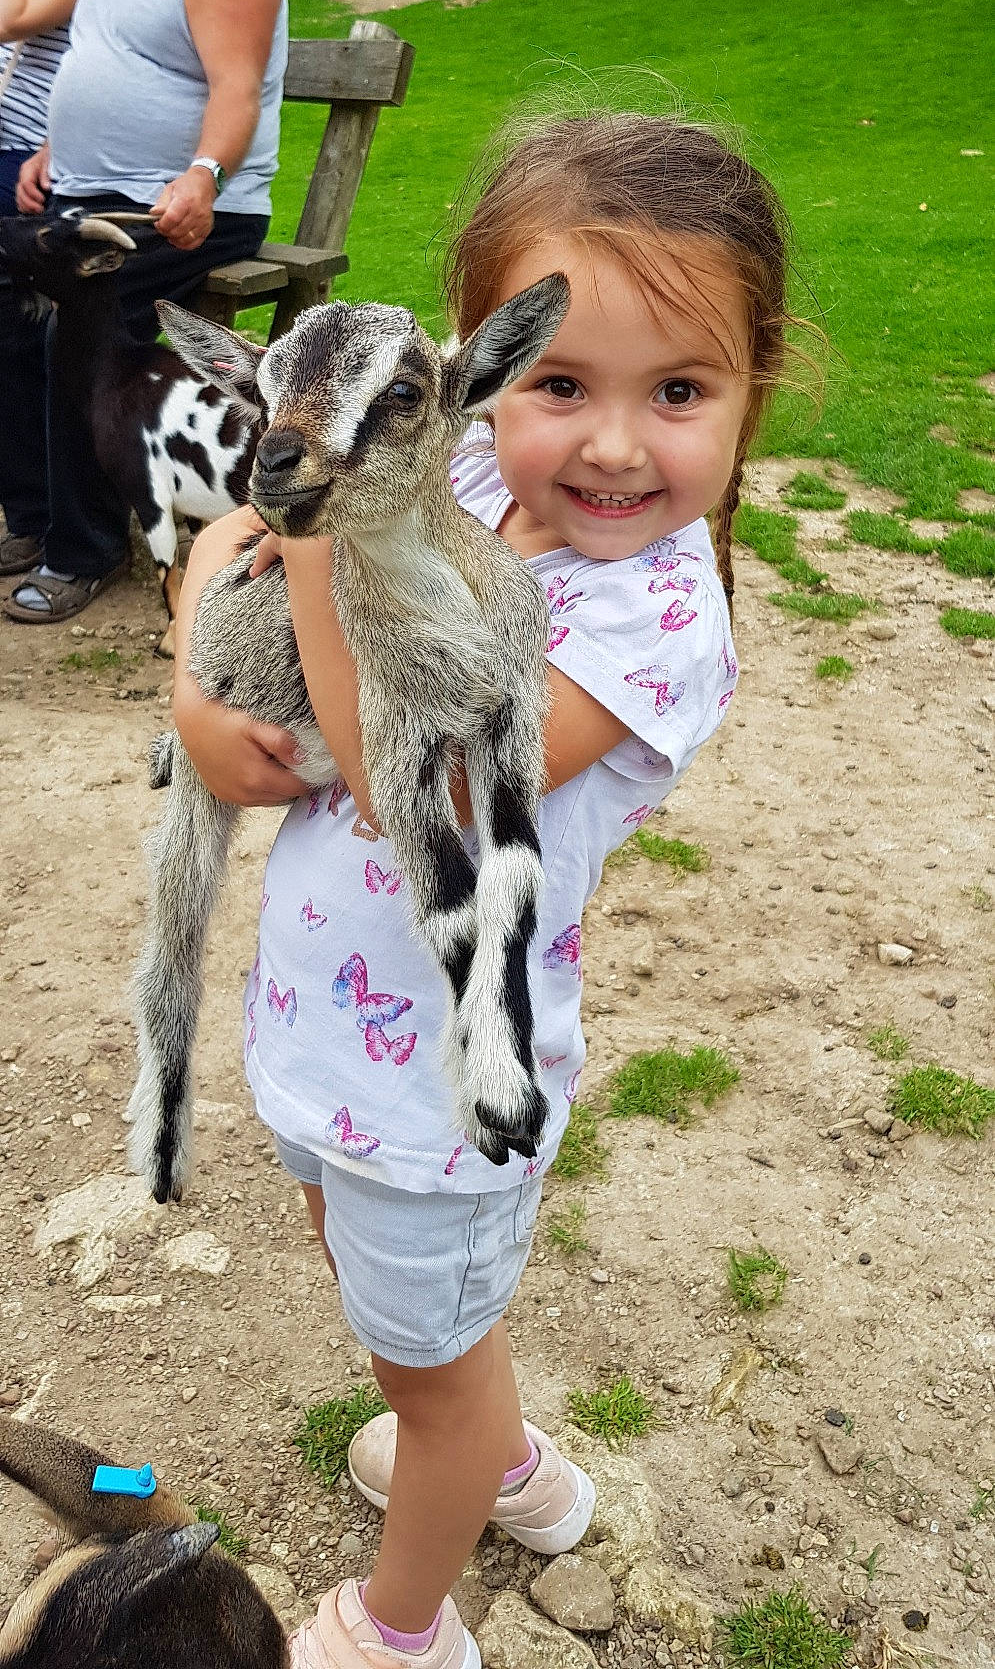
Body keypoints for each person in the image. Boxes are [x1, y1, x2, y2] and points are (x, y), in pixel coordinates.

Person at [171, 111, 794, 1669]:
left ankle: (402, 1629)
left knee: (427, 1362)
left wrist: (313, 535)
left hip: (442, 1095)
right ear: (477, 370)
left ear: (748, 401)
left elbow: (407, 781)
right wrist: (197, 693)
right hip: (328, 1031)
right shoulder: (441, 448)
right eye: (559, 384)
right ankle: (508, 1468)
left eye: (676, 392)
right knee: (404, 1326)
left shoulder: (649, 626)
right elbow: (225, 537)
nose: (605, 444)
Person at [2, 0, 287, 626]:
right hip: (95, 192)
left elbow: (235, 91)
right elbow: (111, 58)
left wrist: (202, 173)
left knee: (79, 304)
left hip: (184, 208)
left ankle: (82, 552)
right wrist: (60, 148)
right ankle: (34, 510)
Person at [0, 0, 98, 578]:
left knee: (22, 341)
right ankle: (28, 513)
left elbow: (7, 20)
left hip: (33, 177)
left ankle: (39, 518)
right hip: (12, 163)